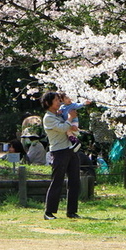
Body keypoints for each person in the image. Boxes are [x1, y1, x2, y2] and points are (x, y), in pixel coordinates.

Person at [41, 91, 80, 220]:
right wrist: (70, 118)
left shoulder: (58, 114)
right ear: (48, 103)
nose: (59, 102)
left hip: (70, 149)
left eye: (59, 99)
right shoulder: (48, 118)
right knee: (57, 181)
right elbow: (63, 128)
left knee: (74, 181)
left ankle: (72, 211)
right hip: (59, 151)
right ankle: (49, 212)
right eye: (57, 100)